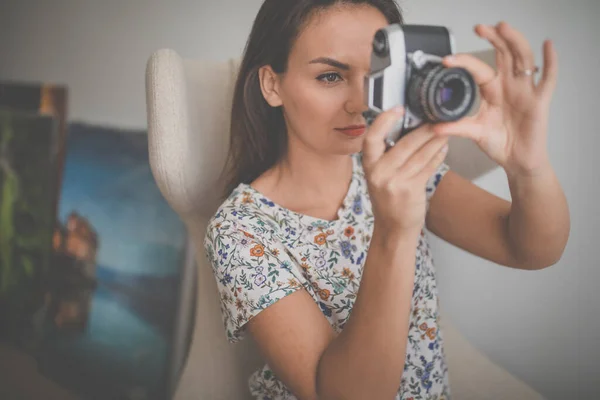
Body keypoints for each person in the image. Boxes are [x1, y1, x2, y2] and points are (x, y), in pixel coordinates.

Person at [203, 0, 571, 399]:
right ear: (272, 85)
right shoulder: (240, 230)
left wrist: (526, 167)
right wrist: (394, 231)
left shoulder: (405, 169)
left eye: (377, 75)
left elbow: (531, 249)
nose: (361, 103)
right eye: (330, 76)